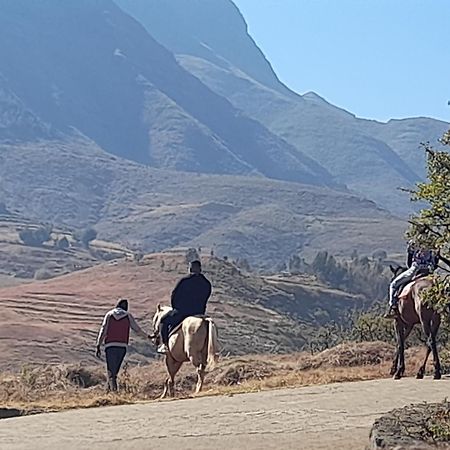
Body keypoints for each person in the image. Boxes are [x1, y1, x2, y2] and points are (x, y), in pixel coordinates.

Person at [157, 260, 212, 354]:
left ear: (190, 268)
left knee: (164, 320)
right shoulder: (207, 283)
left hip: (183, 312)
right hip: (199, 313)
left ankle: (165, 345)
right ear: (200, 269)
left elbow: (174, 295)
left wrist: (176, 308)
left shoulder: (184, 281)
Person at [96, 298, 150, 391]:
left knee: (111, 369)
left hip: (110, 345)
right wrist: (148, 336)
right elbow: (137, 330)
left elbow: (103, 329)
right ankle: (111, 390)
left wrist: (98, 344)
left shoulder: (109, 314)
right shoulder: (128, 316)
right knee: (115, 370)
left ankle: (112, 390)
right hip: (122, 345)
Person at [385, 241, 439, 318]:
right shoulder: (433, 241)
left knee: (393, 285)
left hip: (415, 270)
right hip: (429, 271)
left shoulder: (413, 242)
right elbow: (436, 261)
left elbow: (409, 262)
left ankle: (393, 307)